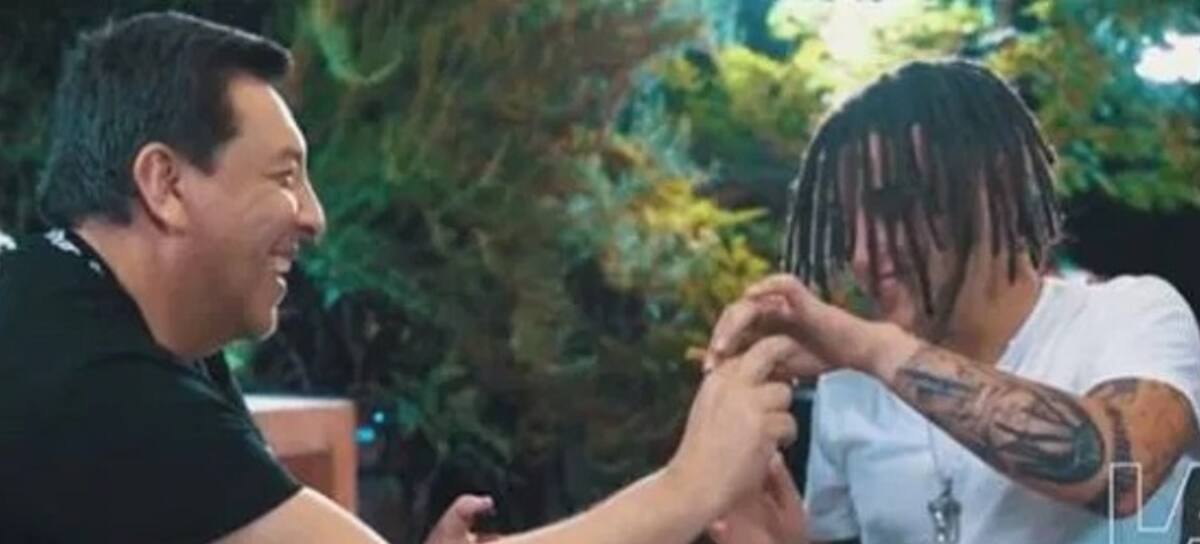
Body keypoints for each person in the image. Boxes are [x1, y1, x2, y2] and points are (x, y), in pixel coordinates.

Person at [0, 11, 804, 544]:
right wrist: (691, 485)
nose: (314, 217)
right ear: (165, 184)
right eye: (284, 176)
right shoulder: (87, 379)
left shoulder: (113, 322)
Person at [704, 59, 1200, 543]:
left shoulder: (1127, 316)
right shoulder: (849, 389)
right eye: (844, 224)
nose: (861, 253)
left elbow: (1122, 472)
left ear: (998, 186)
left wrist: (871, 349)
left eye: (892, 206)